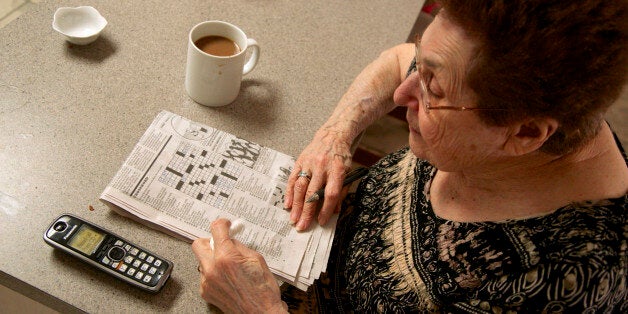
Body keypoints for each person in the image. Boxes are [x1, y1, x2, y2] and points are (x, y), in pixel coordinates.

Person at [192, 0, 628, 312]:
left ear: (527, 132)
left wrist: (259, 307)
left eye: (433, 89)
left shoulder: (552, 285)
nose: (403, 95)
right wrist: (337, 132)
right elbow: (400, 60)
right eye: (424, 64)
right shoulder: (528, 107)